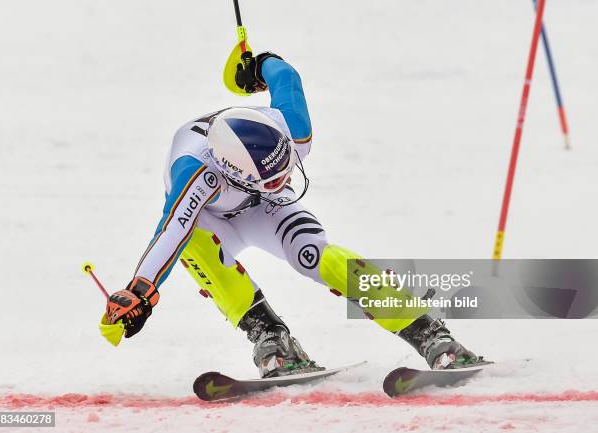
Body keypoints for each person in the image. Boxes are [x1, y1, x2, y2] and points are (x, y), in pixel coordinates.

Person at [102, 52, 484, 378]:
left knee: (313, 254)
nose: (285, 178)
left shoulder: (293, 131)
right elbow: (171, 229)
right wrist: (141, 291)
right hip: (212, 216)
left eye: (287, 168)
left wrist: (260, 62)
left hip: (265, 206)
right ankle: (269, 335)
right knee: (192, 245)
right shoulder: (196, 175)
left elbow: (287, 77)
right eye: (273, 178)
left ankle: (425, 330)